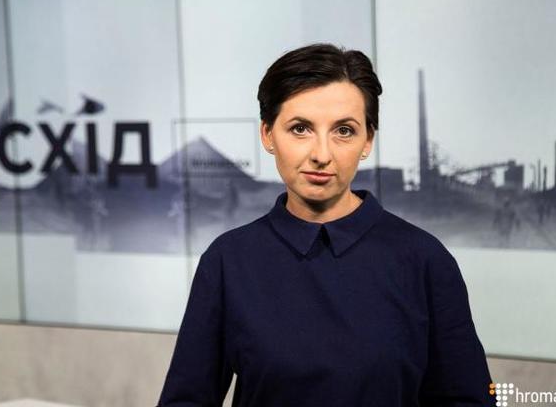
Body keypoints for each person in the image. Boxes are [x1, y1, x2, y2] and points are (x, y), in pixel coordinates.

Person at [157, 43, 496, 407]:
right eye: (300, 128)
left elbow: (470, 400)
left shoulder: (424, 260)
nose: (321, 154)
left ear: (368, 140)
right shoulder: (228, 260)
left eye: (344, 131)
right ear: (267, 134)